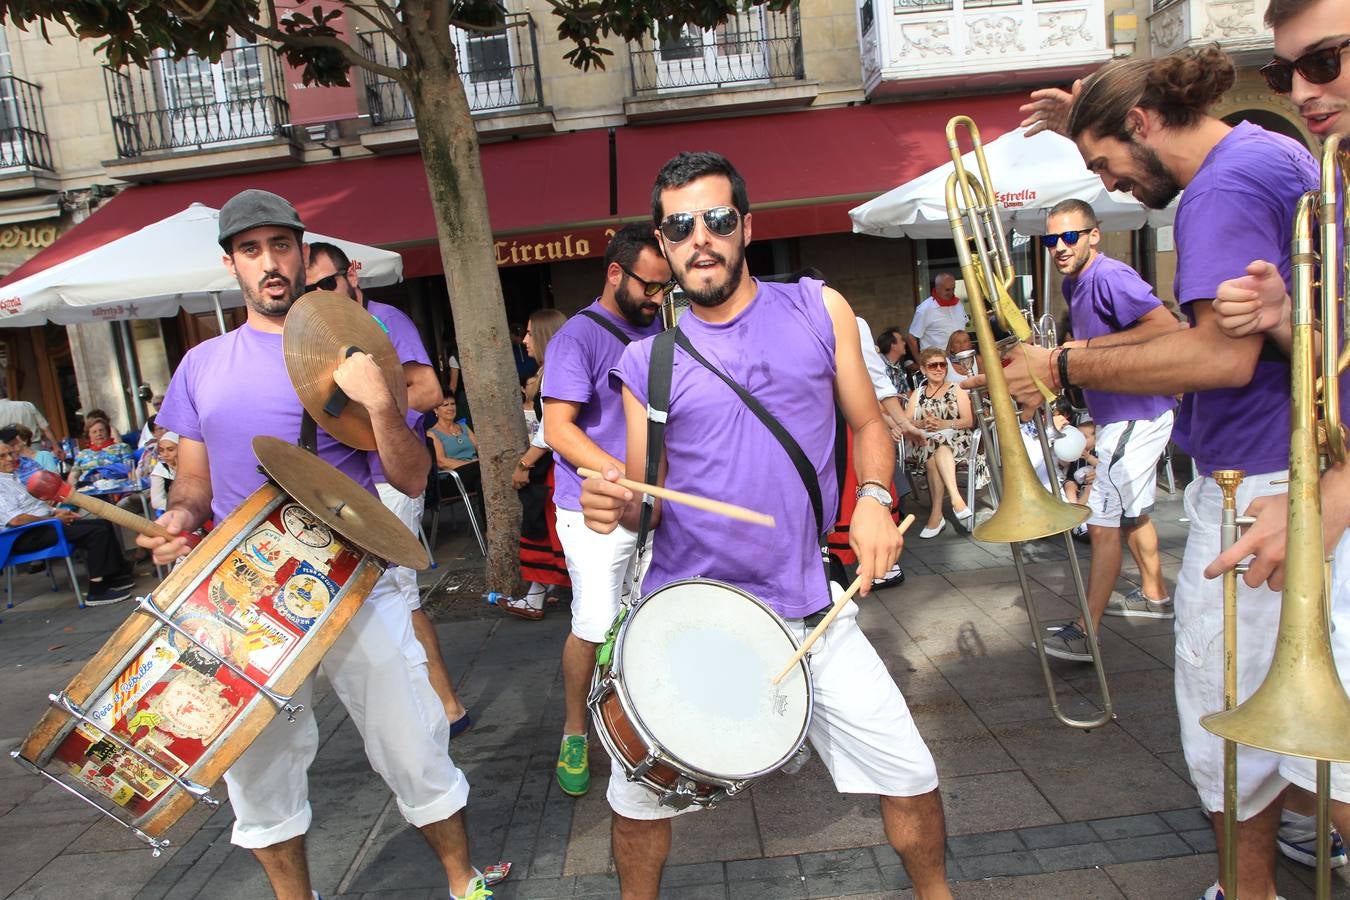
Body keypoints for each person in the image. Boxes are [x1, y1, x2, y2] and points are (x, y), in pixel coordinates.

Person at [580, 151, 950, 900]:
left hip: (808, 605)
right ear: (662, 241)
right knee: (638, 800)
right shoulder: (645, 362)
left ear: (746, 226)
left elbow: (868, 422)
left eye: (717, 220)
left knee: (910, 774)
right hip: (687, 613)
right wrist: (615, 502)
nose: (700, 239)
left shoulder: (820, 308)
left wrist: (874, 495)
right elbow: (644, 499)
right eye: (680, 226)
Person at [1004, 46, 1319, 900]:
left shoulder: (1218, 185)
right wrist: (1094, 107)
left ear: (1144, 123)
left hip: (1252, 484)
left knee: (1230, 732)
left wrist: (1063, 366)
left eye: (1107, 163)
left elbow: (1220, 356)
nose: (1112, 187)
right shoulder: (1270, 147)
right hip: (1293, 471)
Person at [140, 189, 496, 900]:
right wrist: (178, 520)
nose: (269, 263)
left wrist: (379, 401)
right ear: (231, 264)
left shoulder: (355, 349)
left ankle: (464, 881)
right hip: (244, 586)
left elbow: (410, 472)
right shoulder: (200, 366)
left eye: (281, 246)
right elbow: (193, 483)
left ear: (303, 253)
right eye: (251, 250)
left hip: (350, 574)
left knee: (410, 739)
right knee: (258, 764)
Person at [1203, 0, 1350, 873]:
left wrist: (1322, 506)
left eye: (1325, 61)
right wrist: (1291, 319)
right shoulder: (1332, 189)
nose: (1301, 90)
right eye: (1282, 72)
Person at [305, 241, 471, 737]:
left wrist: (369, 407)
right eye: (308, 289)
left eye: (328, 283)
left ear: (353, 274)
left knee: (398, 591)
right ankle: (429, 707)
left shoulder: (384, 320)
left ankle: (444, 707)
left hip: (390, 475)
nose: (321, 295)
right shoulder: (311, 335)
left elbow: (428, 391)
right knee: (377, 594)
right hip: (342, 481)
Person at [538, 223, 667, 798]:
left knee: (647, 618)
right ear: (615, 272)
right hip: (594, 510)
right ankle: (574, 731)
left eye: (666, 289)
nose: (658, 299)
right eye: (650, 287)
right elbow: (556, 428)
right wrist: (622, 481)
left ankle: (643, 722)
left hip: (653, 509)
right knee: (593, 622)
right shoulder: (576, 338)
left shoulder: (658, 329)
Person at [1035, 198, 1182, 664]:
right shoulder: (1074, 280)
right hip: (1126, 415)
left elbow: (1164, 326)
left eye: (1069, 236)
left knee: (1101, 525)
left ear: (1093, 235)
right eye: (1051, 239)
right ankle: (1156, 594)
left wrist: (1086, 347)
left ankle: (1086, 632)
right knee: (1131, 514)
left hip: (1137, 414)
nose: (1059, 246)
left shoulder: (1109, 275)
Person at [0, 442, 136, 605]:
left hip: (44, 525)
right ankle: (96, 591)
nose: (10, 458)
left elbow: (35, 508)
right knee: (95, 533)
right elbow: (15, 520)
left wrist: (56, 512)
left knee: (102, 524)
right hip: (23, 536)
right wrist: (53, 519)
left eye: (10, 453)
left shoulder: (12, 477)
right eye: (3, 456)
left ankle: (113, 576)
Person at [503, 309, 572, 619]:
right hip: (559, 470)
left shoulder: (555, 374)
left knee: (546, 531)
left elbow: (548, 433)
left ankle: (538, 597)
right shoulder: (554, 371)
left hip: (556, 473)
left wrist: (524, 465)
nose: (525, 339)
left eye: (530, 333)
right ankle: (537, 595)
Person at [908, 347, 986, 538]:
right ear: (924, 369)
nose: (938, 368)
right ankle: (956, 499)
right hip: (926, 441)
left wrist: (945, 423)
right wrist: (922, 423)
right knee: (936, 448)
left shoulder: (957, 388)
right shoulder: (917, 395)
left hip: (958, 439)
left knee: (936, 451)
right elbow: (907, 421)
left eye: (942, 364)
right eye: (932, 365)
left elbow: (969, 421)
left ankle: (937, 515)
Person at [904, 273, 968, 366]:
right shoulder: (925, 309)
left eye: (953, 289)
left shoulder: (959, 305)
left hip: (960, 359)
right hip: (937, 362)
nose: (951, 293)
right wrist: (921, 363)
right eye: (947, 289)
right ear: (937, 288)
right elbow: (911, 337)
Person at [0, 388, 65, 464]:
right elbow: (45, 428)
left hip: (12, 451)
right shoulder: (27, 405)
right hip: (34, 447)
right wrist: (55, 446)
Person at [67, 417, 133, 488]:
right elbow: (72, 477)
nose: (99, 434)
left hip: (117, 487)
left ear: (107, 432)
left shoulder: (122, 447)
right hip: (89, 491)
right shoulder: (82, 454)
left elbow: (130, 470)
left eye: (101, 430)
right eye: (94, 432)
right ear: (89, 436)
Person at [148, 431, 178, 515]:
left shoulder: (194, 466)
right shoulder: (161, 469)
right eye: (161, 450)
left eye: (170, 450)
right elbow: (156, 501)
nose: (165, 454)